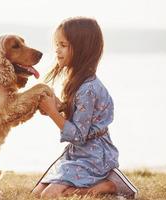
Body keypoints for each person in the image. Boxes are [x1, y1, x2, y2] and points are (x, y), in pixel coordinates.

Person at [31, 17, 138, 199]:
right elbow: (79, 115)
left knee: (49, 195)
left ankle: (108, 186)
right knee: (36, 194)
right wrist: (60, 105)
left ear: (81, 49)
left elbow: (78, 136)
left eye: (63, 45)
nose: (57, 50)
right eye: (56, 45)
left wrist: (52, 112)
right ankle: (99, 184)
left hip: (94, 156)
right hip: (78, 153)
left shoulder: (88, 89)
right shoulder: (76, 83)